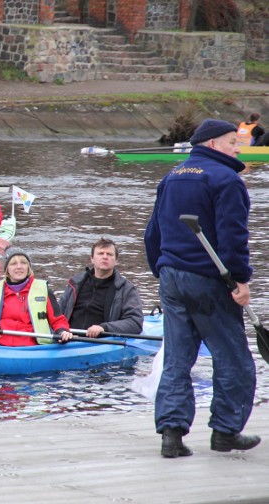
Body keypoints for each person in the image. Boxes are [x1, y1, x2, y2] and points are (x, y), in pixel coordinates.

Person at [144, 118, 260, 459]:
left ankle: (171, 435)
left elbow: (152, 234)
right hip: (208, 280)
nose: (237, 149)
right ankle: (225, 431)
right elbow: (233, 237)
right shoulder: (226, 180)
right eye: (231, 143)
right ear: (212, 144)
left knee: (177, 359)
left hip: (171, 276)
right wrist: (240, 279)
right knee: (234, 359)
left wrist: (162, 269)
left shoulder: (171, 177)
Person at [0, 247, 73, 346]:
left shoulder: (43, 290)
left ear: (28, 267)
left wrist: (63, 331)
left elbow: (58, 320)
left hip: (33, 348)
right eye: (13, 264)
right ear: (7, 269)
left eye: (23, 263)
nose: (19, 267)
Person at [59, 238, 143, 338]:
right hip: (68, 339)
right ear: (92, 259)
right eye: (100, 253)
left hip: (101, 342)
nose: (105, 257)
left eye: (109, 254)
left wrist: (104, 328)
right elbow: (57, 314)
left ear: (116, 261)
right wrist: (61, 330)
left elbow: (135, 322)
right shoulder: (75, 283)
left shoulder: (126, 289)